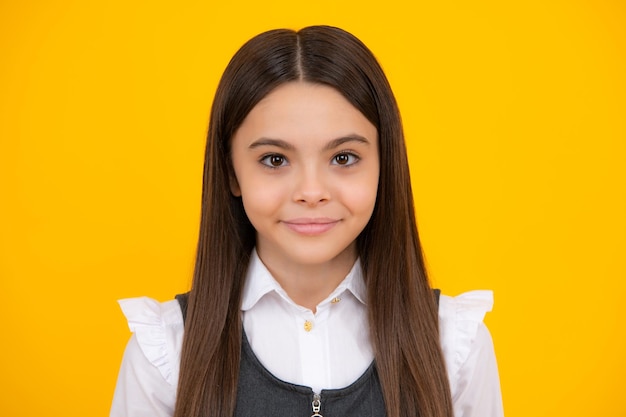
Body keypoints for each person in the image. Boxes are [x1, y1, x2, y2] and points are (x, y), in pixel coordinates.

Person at [110, 25, 503, 417]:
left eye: (344, 158)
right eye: (275, 160)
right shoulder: (164, 354)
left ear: (385, 166)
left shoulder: (455, 346)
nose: (311, 191)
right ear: (231, 173)